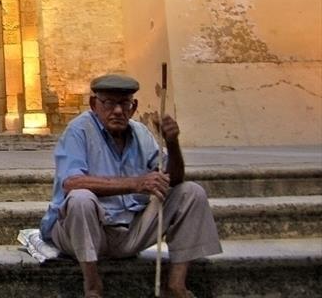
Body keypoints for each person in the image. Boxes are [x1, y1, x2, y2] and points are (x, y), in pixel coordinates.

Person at [39, 73, 222, 298]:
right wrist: (135, 183)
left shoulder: (140, 133)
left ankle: (175, 285)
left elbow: (173, 179)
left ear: (133, 106)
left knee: (191, 192)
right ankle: (93, 286)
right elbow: (71, 182)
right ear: (94, 104)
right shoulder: (79, 130)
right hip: (85, 233)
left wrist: (173, 144)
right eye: (109, 103)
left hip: (130, 230)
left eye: (124, 103)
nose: (117, 111)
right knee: (80, 198)